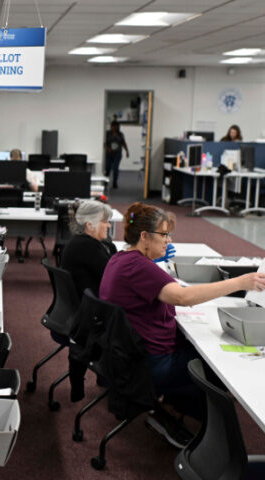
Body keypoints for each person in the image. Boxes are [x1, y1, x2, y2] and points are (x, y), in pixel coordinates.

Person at [99, 202, 265, 446]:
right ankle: (182, 418)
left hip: (132, 354)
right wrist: (241, 282)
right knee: (218, 366)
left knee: (201, 347)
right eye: (164, 235)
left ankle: (174, 407)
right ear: (144, 236)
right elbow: (183, 297)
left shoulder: (122, 258)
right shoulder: (138, 266)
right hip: (151, 362)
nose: (169, 240)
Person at [60, 200, 117, 298]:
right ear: (89, 225)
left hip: (86, 302)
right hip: (94, 305)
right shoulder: (87, 248)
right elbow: (114, 277)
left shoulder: (79, 242)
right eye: (105, 222)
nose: (109, 225)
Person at [104, 121, 129, 189]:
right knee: (107, 168)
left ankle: (115, 183)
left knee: (115, 168)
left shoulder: (120, 134)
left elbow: (123, 143)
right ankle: (105, 183)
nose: (114, 128)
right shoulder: (107, 133)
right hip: (109, 154)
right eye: (113, 126)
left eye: (116, 127)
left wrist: (127, 151)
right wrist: (107, 148)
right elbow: (104, 143)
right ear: (111, 126)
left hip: (117, 154)